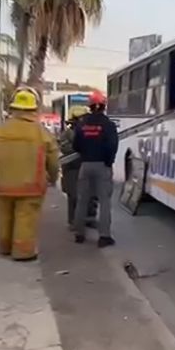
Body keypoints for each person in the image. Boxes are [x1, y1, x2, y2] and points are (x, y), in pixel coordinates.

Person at [0, 87, 59, 261]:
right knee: (25, 219)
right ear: (34, 109)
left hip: (2, 183)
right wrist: (53, 178)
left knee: (4, 216)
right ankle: (23, 251)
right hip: (31, 185)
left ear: (13, 109)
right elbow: (53, 159)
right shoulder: (41, 132)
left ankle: (4, 247)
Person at [72, 90, 119, 247]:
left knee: (82, 200)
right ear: (104, 106)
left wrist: (86, 154)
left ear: (90, 106)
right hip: (102, 166)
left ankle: (79, 234)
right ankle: (104, 236)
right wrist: (108, 162)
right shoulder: (108, 124)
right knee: (104, 201)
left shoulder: (81, 124)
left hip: (85, 165)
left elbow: (75, 145)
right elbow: (113, 145)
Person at [59, 105, 89, 228]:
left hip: (84, 167)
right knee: (74, 196)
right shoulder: (67, 134)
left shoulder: (88, 131)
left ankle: (85, 219)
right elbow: (65, 148)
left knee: (87, 196)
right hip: (71, 169)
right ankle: (73, 221)